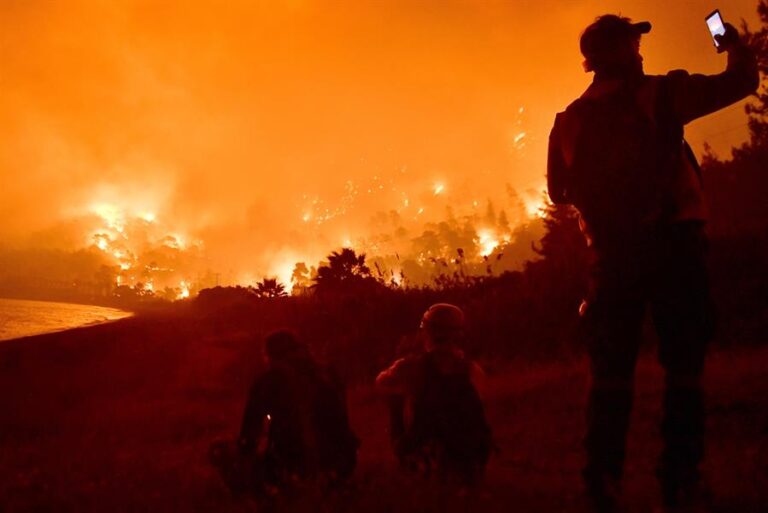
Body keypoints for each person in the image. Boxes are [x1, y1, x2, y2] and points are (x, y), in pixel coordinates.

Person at [547, 14, 758, 512]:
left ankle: (602, 481)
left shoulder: (568, 120)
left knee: (611, 372)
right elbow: (743, 82)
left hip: (611, 257)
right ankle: (680, 479)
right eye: (634, 44)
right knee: (684, 365)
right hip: (674, 247)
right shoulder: (663, 95)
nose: (642, 52)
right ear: (623, 52)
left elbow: (558, 193)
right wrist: (733, 44)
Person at [227, 330, 358, 495]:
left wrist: (242, 456)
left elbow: (249, 433)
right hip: (343, 463)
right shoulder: (327, 373)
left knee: (223, 453)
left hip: (295, 464)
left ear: (270, 355)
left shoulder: (270, 379)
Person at [376, 304, 493, 485]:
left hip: (426, 452)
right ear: (458, 334)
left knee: (394, 399)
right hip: (469, 456)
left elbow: (381, 382)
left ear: (427, 332)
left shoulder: (411, 367)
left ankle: (403, 452)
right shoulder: (472, 370)